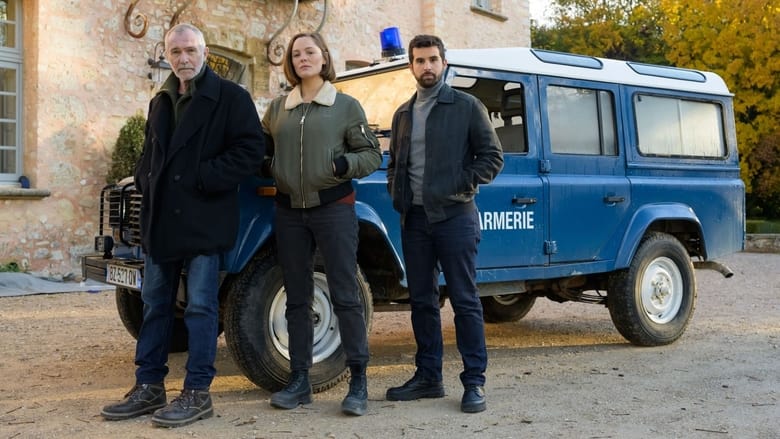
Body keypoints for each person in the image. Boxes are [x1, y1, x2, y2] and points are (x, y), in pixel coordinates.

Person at [100, 23, 265, 428]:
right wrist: (144, 178)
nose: (183, 59)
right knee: (155, 305)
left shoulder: (230, 97)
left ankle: (197, 393)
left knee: (201, 307)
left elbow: (250, 151)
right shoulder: (161, 99)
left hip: (204, 219)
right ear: (168, 56)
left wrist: (202, 177)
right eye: (175, 52)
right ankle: (149, 386)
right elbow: (149, 154)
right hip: (161, 223)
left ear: (205, 53)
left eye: (190, 50)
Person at [261, 32, 382, 416]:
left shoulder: (345, 106)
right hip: (289, 212)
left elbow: (371, 154)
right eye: (296, 54)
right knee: (297, 297)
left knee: (345, 294)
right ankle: (299, 381)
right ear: (290, 63)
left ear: (324, 57)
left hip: (333, 209)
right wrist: (270, 168)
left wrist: (342, 166)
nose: (302, 58)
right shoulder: (278, 108)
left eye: (309, 51)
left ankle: (358, 381)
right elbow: (261, 149)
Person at [385, 34, 503, 413]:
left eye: (433, 59)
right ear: (411, 66)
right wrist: (396, 193)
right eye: (420, 61)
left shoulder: (467, 106)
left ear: (444, 63)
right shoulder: (403, 113)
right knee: (422, 301)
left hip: (455, 217)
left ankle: (474, 383)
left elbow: (492, 158)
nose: (427, 67)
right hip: (415, 220)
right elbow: (395, 164)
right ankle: (428, 377)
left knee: (466, 301)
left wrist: (457, 186)